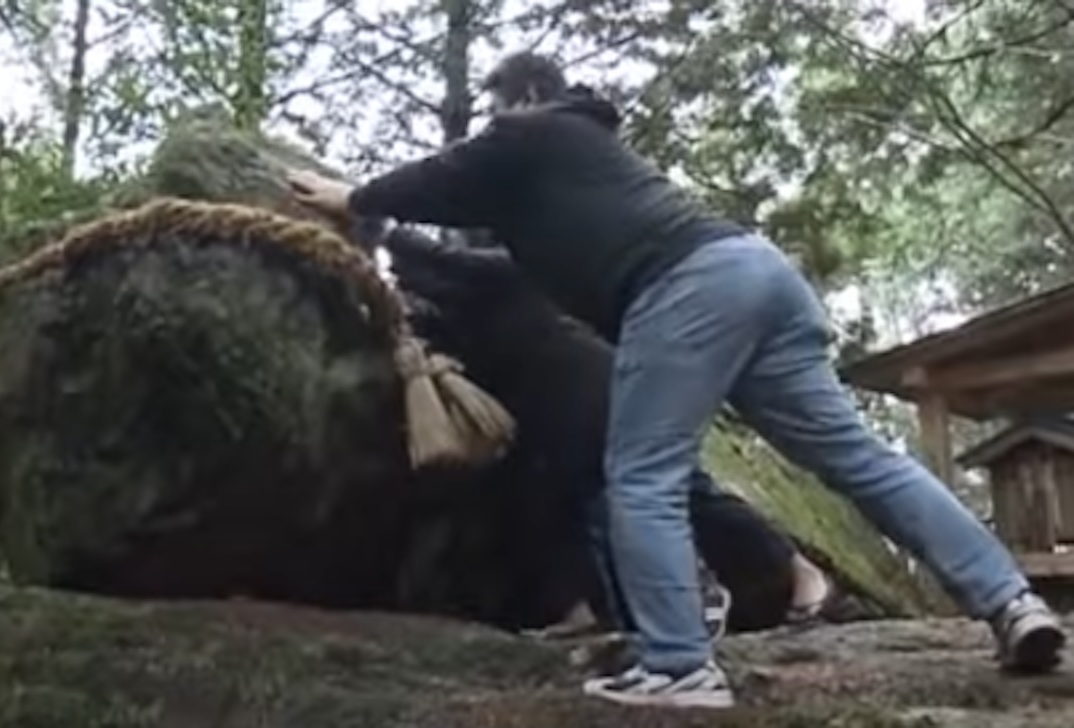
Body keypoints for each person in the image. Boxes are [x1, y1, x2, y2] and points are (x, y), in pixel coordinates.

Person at [288, 51, 1067, 709]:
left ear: (523, 98)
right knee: (860, 460)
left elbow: (452, 172)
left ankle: (678, 665)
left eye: (497, 108)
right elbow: (462, 231)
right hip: (759, 278)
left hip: (686, 287)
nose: (493, 121)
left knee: (640, 474)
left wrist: (356, 198)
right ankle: (1010, 601)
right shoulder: (575, 176)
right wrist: (387, 236)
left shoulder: (535, 130)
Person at [368, 220, 836, 641]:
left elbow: (434, 258)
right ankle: (584, 611)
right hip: (549, 408)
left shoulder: (512, 267)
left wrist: (376, 219)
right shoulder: (458, 310)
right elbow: (424, 306)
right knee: (550, 504)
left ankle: (801, 575)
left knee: (672, 491)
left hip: (592, 385)